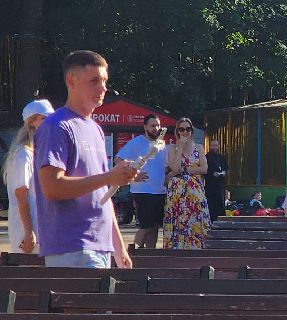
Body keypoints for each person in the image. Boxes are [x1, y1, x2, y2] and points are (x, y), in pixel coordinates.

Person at [34, 50, 140, 268]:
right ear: (71, 81)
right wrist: (109, 177)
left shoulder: (95, 129)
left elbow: (103, 194)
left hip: (100, 246)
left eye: (104, 81)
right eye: (94, 81)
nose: (103, 88)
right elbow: (52, 187)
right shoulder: (56, 126)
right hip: (71, 246)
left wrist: (119, 248)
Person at [4, 99, 53, 255]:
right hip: (27, 233)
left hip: (42, 230)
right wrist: (28, 232)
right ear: (31, 122)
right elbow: (21, 193)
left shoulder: (36, 152)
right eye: (44, 119)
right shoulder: (23, 154)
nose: (49, 124)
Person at [114, 113, 168, 249]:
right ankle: (134, 253)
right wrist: (133, 175)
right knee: (146, 226)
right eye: (152, 126)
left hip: (160, 191)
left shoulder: (162, 144)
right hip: (143, 191)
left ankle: (150, 255)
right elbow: (118, 160)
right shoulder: (136, 143)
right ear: (145, 127)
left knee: (155, 226)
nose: (156, 128)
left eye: (158, 125)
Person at [162, 117, 211, 249]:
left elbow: (204, 168)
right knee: (178, 220)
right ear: (177, 131)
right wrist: (180, 148)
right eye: (181, 129)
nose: (185, 132)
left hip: (194, 190)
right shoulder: (172, 148)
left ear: (192, 131)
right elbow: (175, 168)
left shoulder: (199, 147)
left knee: (197, 218)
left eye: (187, 129)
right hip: (177, 192)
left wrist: (184, 170)